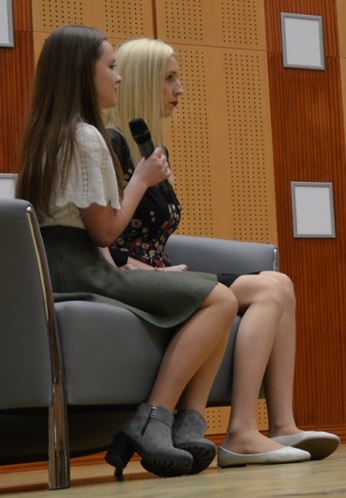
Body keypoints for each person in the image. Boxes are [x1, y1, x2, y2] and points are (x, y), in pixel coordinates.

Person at [103, 38, 340, 469]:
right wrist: (136, 266)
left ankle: (282, 424)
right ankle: (241, 432)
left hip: (162, 270)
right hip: (134, 278)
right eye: (169, 79)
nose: (180, 89)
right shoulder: (112, 145)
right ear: (143, 82)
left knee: (281, 284)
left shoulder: (151, 149)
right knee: (268, 291)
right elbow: (102, 231)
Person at [16, 24, 238, 478]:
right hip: (83, 272)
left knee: (210, 294)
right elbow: (104, 232)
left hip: (57, 269)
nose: (118, 77)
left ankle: (177, 425)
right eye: (110, 67)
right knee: (222, 299)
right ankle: (156, 417)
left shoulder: (44, 134)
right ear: (83, 74)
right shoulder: (86, 137)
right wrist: (140, 180)